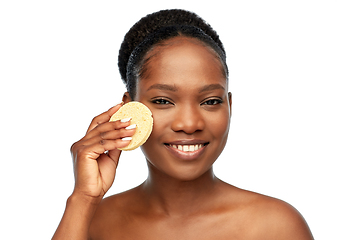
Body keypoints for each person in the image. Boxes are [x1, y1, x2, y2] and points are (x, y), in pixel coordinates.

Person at [53, 9, 314, 239]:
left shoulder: (276, 226)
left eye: (210, 101)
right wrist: (83, 199)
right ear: (129, 109)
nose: (189, 124)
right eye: (164, 101)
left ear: (229, 106)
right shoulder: (92, 223)